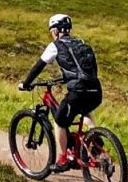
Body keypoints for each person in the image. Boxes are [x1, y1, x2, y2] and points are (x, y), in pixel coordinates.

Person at [19, 13, 102, 173]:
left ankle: (64, 158)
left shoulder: (55, 46)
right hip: (96, 90)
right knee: (86, 112)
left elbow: (38, 66)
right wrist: (66, 78)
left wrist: (26, 83)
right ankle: (96, 143)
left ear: (56, 31)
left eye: (52, 31)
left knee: (59, 121)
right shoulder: (81, 43)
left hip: (78, 91)